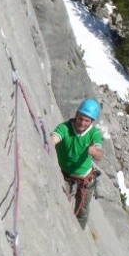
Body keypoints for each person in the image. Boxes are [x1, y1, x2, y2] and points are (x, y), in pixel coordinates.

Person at [51, 98, 103, 229]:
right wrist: (51, 141)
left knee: (82, 211)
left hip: (85, 180)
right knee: (59, 202)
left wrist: (94, 151)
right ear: (76, 115)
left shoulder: (94, 133)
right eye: (81, 118)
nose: (82, 123)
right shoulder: (65, 128)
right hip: (65, 175)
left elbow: (99, 153)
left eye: (87, 120)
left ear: (92, 121)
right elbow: (55, 137)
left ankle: (79, 231)